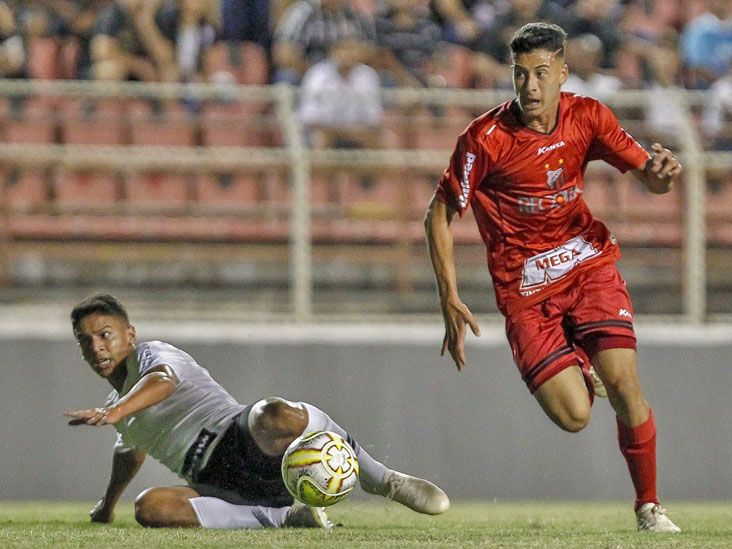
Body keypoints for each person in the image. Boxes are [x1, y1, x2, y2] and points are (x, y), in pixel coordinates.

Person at [424, 22, 682, 533]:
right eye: (521, 75)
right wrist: (448, 296)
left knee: (626, 383)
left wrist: (660, 176)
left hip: (587, 265)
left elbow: (648, 179)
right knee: (574, 416)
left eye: (542, 74)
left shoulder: (588, 116)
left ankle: (649, 508)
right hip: (525, 291)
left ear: (563, 73)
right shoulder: (485, 139)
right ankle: (579, 364)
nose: (531, 87)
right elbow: (438, 214)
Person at [64, 294, 449, 529]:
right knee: (150, 508)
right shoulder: (122, 412)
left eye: (105, 334)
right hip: (215, 484)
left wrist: (115, 413)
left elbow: (164, 381)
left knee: (272, 412)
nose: (96, 347)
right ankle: (283, 517)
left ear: (129, 335)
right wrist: (107, 506)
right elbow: (129, 452)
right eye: (86, 341)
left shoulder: (153, 355)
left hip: (241, 439)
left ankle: (381, 479)